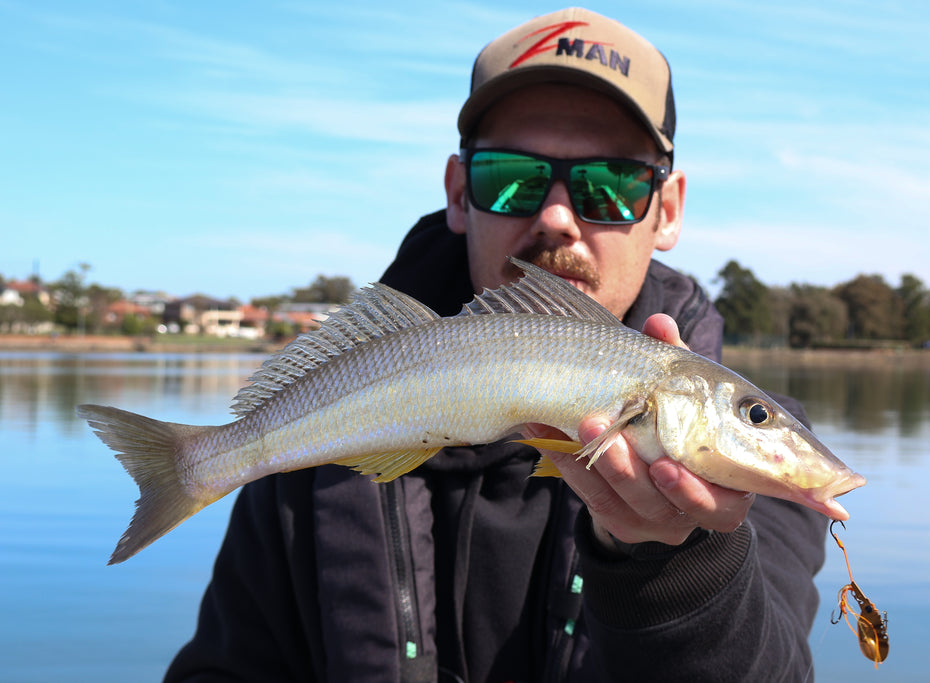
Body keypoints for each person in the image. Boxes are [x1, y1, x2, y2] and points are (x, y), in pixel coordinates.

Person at [165, 8, 826, 682]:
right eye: (511, 176)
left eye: (612, 184)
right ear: (459, 193)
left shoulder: (753, 467)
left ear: (669, 210)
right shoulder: (318, 442)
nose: (556, 217)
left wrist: (679, 561)